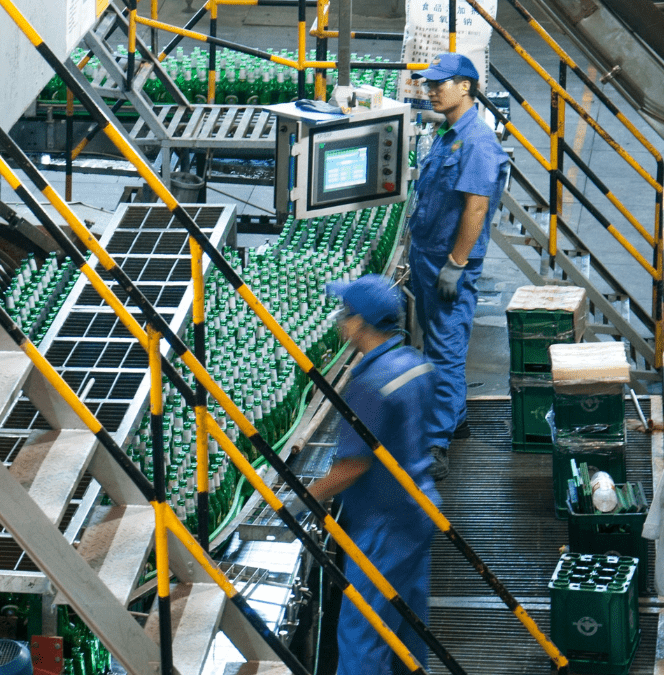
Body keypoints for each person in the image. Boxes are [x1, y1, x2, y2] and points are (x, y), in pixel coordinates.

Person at [295, 274, 440, 675]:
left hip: (383, 526)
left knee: (364, 636)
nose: (342, 321)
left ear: (361, 323)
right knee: (408, 628)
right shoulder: (414, 364)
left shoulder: (369, 384)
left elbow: (352, 466)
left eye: (346, 313)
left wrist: (298, 499)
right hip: (421, 508)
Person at [408, 53, 510, 480]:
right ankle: (457, 418)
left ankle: (435, 444)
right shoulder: (448, 132)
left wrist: (455, 264)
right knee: (437, 341)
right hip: (428, 257)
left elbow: (477, 206)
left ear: (466, 86)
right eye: (429, 83)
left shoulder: (478, 142)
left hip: (448, 263)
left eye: (441, 83)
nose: (431, 90)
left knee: (444, 351)